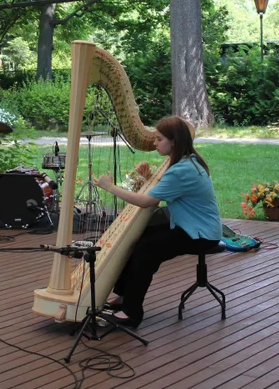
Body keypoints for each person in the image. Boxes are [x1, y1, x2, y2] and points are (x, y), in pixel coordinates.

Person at [94, 116, 222, 329]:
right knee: (140, 238)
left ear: (174, 141)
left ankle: (132, 313)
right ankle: (124, 296)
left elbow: (146, 201)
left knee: (147, 250)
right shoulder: (188, 161)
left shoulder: (182, 170)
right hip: (190, 226)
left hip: (200, 234)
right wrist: (148, 178)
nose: (154, 144)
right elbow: (165, 190)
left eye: (159, 139)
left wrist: (110, 187)